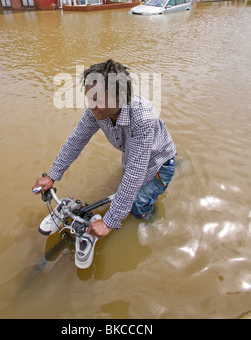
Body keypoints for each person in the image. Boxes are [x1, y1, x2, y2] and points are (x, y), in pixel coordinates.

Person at [32, 59, 176, 240]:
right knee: (127, 185)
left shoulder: (143, 118)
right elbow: (77, 140)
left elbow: (135, 172)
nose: (92, 106)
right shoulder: (95, 111)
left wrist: (110, 221)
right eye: (89, 98)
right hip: (132, 156)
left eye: (98, 100)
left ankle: (148, 218)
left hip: (158, 164)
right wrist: (53, 175)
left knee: (138, 205)